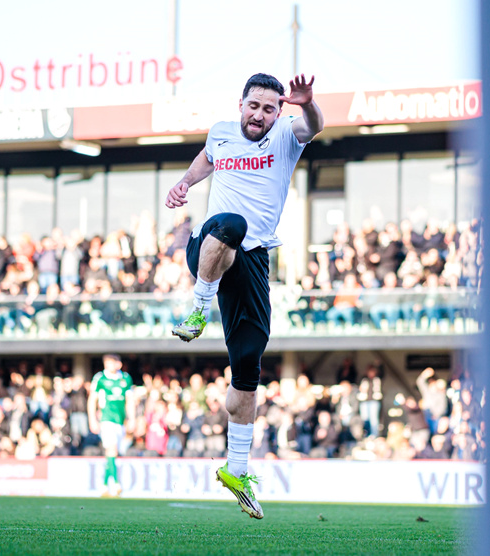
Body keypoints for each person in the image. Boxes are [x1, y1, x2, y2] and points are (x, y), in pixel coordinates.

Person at [165, 72, 323, 519]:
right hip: (211, 243)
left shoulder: (287, 136)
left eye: (269, 108)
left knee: (250, 362)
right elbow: (206, 157)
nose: (259, 115)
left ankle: (236, 469)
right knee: (232, 223)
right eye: (254, 106)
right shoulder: (221, 132)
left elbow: (314, 126)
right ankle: (198, 309)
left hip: (253, 259)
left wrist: (307, 104)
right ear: (241, 105)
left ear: (278, 111)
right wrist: (185, 183)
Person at [88, 354, 136, 497]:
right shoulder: (100, 378)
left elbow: (130, 401)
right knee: (112, 449)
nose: (108, 365)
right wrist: (92, 419)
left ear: (118, 364)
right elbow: (92, 399)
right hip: (106, 419)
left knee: (112, 453)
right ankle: (115, 483)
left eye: (111, 362)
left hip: (120, 421)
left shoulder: (125, 378)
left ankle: (104, 485)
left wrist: (132, 419)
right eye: (106, 363)